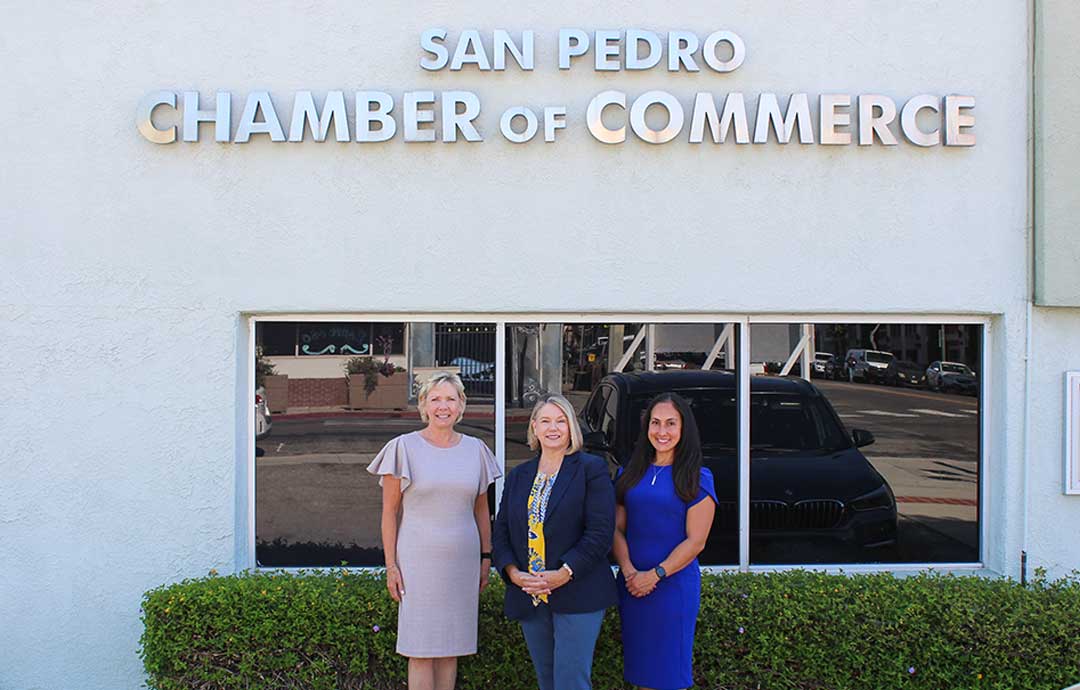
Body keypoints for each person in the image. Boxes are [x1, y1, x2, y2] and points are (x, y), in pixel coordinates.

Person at [366, 371, 501, 690]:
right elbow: (389, 512)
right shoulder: (402, 448)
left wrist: (485, 558)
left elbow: (481, 509)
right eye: (435, 399)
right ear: (423, 405)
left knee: (451, 648)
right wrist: (391, 566)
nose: (443, 406)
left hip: (462, 564)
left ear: (462, 405)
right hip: (418, 564)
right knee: (421, 649)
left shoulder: (476, 450)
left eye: (451, 399)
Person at [492, 394, 617, 690]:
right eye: (546, 420)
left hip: (578, 591)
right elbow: (502, 531)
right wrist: (512, 573)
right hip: (531, 594)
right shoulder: (519, 475)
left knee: (571, 681)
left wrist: (564, 573)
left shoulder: (590, 469)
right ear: (534, 427)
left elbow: (600, 532)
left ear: (572, 428)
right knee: (546, 680)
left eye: (561, 421)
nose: (553, 428)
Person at [612, 393, 717, 690]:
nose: (662, 431)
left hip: (672, 588)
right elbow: (615, 530)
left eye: (671, 424)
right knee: (641, 673)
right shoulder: (628, 474)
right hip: (632, 586)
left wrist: (655, 575)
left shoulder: (697, 477)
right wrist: (631, 572)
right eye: (655, 423)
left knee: (669, 675)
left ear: (684, 429)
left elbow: (696, 542)